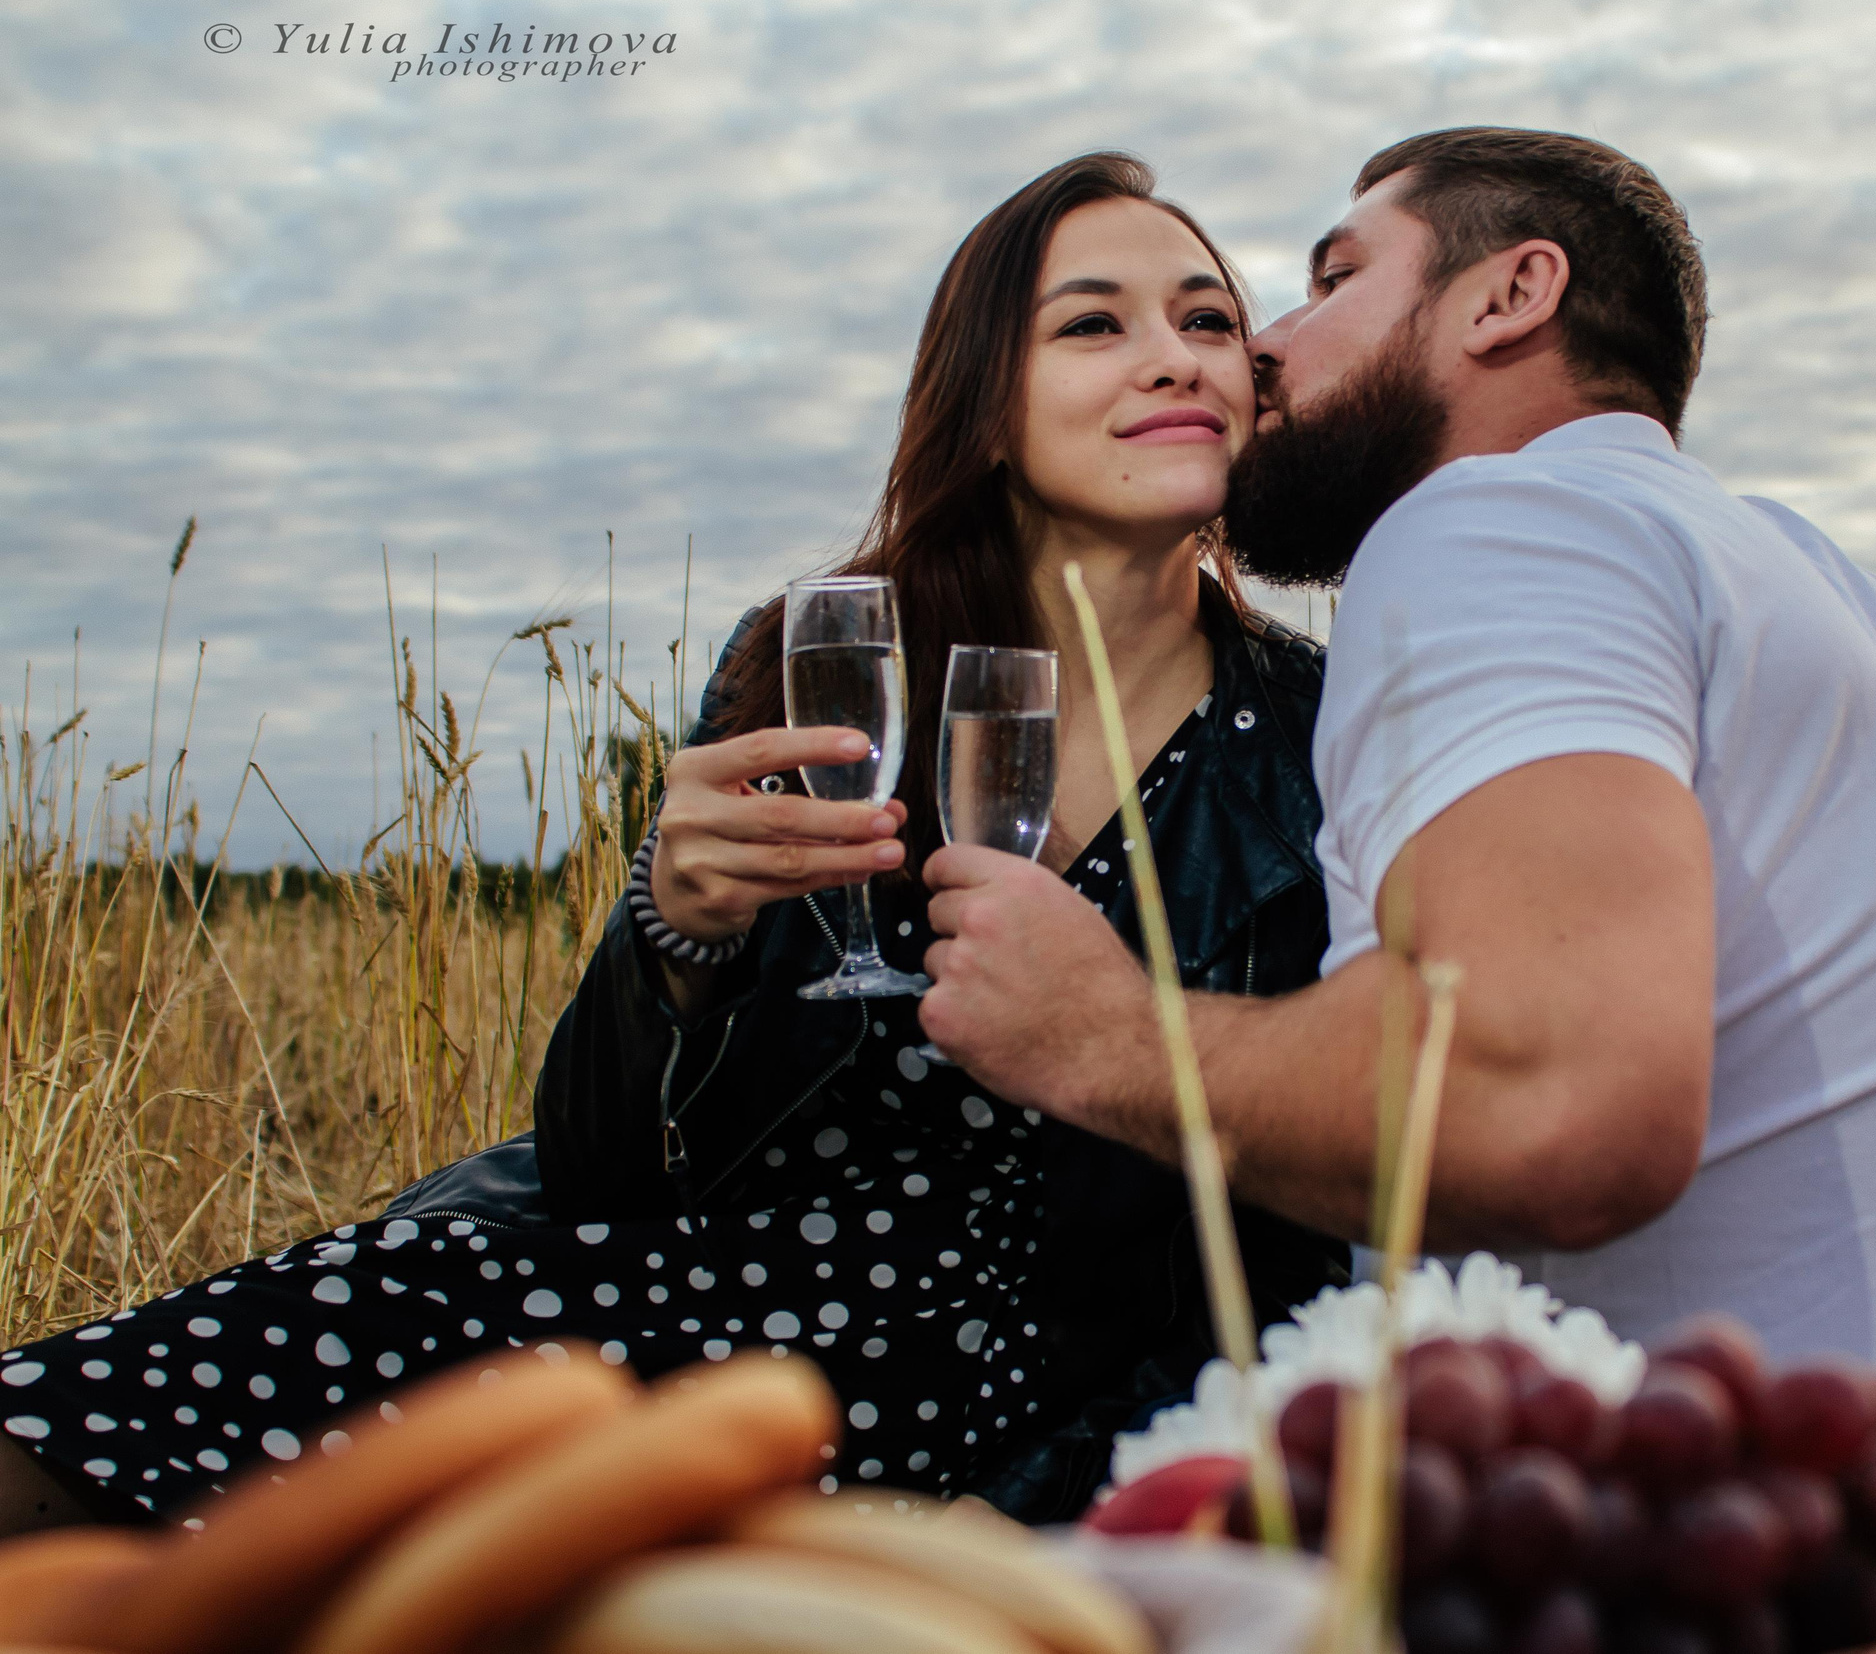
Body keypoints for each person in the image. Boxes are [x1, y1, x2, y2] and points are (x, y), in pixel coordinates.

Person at [0, 152, 1344, 1535]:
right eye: (1092, 323)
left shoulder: (1323, 736)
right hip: (700, 1313)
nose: (1175, 358)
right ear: (986, 407)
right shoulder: (821, 668)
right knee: (165, 1404)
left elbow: (1315, 1235)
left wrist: (1048, 1499)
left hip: (1074, 1395)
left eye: (1204, 320)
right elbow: (603, 1172)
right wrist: (674, 931)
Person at [918, 127, 1876, 1439]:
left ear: (1510, 295)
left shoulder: (1493, 521)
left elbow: (1549, 1104)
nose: (1264, 345)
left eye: (1333, 281)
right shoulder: (1811, 577)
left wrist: (1097, 1035)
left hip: (1742, 1553)